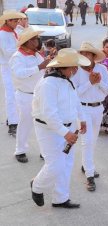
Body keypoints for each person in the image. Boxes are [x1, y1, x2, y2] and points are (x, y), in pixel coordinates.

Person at [31, 48, 90, 208]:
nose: (76, 70)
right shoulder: (48, 84)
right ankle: (37, 186)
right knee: (55, 164)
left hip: (68, 127)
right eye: (74, 67)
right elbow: (49, 114)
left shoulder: (66, 80)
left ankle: (60, 198)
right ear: (65, 67)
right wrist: (65, 133)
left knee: (67, 164)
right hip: (48, 130)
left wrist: (81, 119)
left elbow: (75, 101)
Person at [71, 42, 108, 191]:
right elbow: (74, 94)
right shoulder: (76, 72)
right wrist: (90, 82)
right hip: (82, 109)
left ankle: (85, 164)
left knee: (93, 140)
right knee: (87, 141)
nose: (85, 56)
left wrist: (98, 82)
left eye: (88, 53)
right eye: (82, 53)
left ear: (94, 56)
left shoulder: (102, 69)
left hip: (98, 108)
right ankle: (89, 174)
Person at [10, 27, 50, 163]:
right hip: (25, 95)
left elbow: (43, 71)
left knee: (43, 124)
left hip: (40, 94)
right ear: (27, 42)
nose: (37, 42)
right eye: (34, 39)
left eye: (37, 39)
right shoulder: (17, 57)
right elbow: (19, 74)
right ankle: (20, 150)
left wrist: (49, 64)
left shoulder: (36, 54)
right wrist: (40, 67)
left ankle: (44, 151)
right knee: (25, 124)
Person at [0, 10, 27, 136]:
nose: (17, 23)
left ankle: (11, 118)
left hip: (14, 66)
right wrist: (21, 48)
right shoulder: (3, 34)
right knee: (11, 94)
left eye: (17, 21)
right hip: (7, 66)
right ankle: (13, 124)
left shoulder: (12, 32)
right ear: (8, 21)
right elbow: (7, 52)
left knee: (16, 94)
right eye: (15, 21)